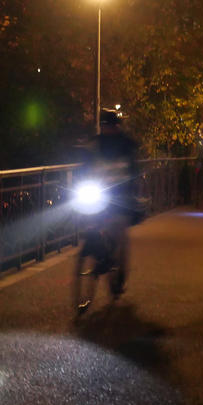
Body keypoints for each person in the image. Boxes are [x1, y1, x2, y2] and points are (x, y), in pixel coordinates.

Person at [78, 109, 141, 301]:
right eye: (104, 125)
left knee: (119, 231)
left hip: (120, 195)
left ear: (116, 127)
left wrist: (132, 190)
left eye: (111, 126)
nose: (107, 129)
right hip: (99, 192)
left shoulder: (126, 145)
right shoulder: (94, 145)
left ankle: (120, 273)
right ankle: (98, 254)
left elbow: (134, 170)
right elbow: (83, 167)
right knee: (89, 221)